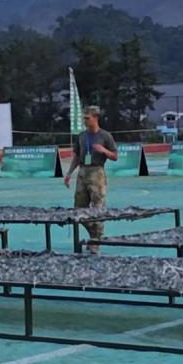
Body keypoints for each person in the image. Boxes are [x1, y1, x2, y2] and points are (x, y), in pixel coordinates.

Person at [65, 105, 118, 253]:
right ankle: (94, 235)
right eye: (84, 118)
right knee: (78, 210)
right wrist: (69, 173)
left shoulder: (105, 136)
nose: (85, 121)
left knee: (97, 209)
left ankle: (95, 241)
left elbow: (115, 156)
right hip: (82, 172)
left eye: (87, 118)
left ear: (96, 118)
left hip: (97, 172)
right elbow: (77, 156)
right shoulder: (82, 136)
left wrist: (104, 150)